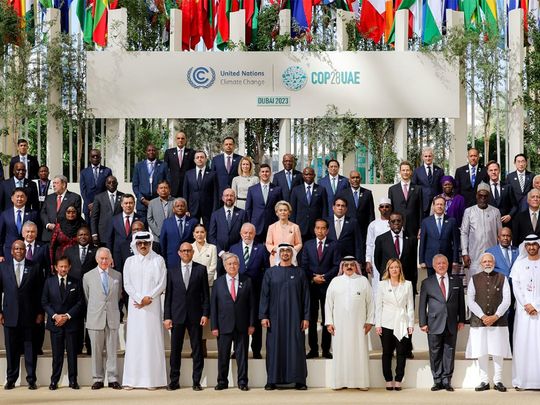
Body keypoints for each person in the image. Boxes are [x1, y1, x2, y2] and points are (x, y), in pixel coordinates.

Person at [260, 243, 310, 390]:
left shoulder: (300, 273)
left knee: (296, 347)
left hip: (295, 318)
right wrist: (263, 315)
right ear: (278, 254)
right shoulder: (270, 273)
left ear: (292, 254)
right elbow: (264, 296)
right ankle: (272, 380)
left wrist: (306, 317)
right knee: (274, 347)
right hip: (275, 319)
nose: (285, 254)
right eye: (283, 251)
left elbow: (306, 297)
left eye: (288, 251)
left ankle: (299, 380)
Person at [122, 232, 167, 390]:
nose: (143, 246)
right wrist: (140, 298)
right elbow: (127, 284)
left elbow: (162, 283)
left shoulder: (158, 260)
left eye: (146, 243)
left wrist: (149, 298)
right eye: (140, 243)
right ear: (135, 244)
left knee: (151, 341)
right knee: (135, 342)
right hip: (136, 307)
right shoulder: (129, 261)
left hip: (152, 306)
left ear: (150, 243)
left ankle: (152, 380)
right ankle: (131, 380)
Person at [164, 242, 210, 391]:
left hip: (195, 316)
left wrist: (205, 313)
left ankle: (196, 381)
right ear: (179, 253)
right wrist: (167, 316)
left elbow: (205, 295)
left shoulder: (201, 270)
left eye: (189, 251)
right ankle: (174, 381)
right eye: (183, 251)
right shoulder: (172, 271)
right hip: (177, 316)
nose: (186, 253)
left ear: (192, 252)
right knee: (175, 350)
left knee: (197, 349)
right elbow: (168, 296)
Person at [0, 240, 44, 390]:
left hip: (29, 315)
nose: (19, 251)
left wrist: (40, 312)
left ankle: (31, 379)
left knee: (30, 348)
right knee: (11, 349)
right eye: (16, 249)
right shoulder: (3, 268)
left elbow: (40, 292)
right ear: (11, 251)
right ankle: (11, 379)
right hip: (9, 315)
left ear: (26, 251)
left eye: (21, 248)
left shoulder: (35, 267)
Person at [325, 256, 373, 390]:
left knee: (359, 353)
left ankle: (361, 383)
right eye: (346, 265)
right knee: (340, 352)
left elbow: (371, 303)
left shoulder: (363, 281)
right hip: (339, 326)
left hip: (359, 325)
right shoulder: (335, 281)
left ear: (356, 266)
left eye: (352, 264)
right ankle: (339, 383)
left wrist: (370, 321)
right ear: (342, 267)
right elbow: (328, 304)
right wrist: (329, 322)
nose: (349, 267)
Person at [465, 252, 511, 392]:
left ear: (494, 263)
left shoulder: (503, 278)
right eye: (484, 261)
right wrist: (483, 316)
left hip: (498, 322)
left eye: (489, 261)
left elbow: (507, 300)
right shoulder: (474, 279)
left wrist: (495, 316)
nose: (487, 263)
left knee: (498, 351)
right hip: (479, 322)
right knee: (481, 350)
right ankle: (484, 380)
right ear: (481, 264)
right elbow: (470, 300)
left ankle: (498, 380)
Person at [419, 254, 465, 392]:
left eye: (444, 263)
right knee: (435, 352)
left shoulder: (456, 281)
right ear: (433, 266)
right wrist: (422, 322)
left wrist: (461, 319)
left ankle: (447, 380)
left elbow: (461, 303)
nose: (441, 265)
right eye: (438, 263)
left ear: (448, 264)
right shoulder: (427, 282)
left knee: (449, 352)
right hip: (433, 323)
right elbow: (422, 305)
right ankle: (437, 380)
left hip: (451, 323)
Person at [211, 253, 256, 391]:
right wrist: (214, 326)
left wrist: (251, 324)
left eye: (235, 264)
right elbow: (214, 306)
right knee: (223, 355)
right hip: (224, 326)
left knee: (242, 356)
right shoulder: (218, 283)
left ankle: (242, 382)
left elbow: (252, 305)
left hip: (242, 325)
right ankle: (222, 381)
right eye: (229, 264)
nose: (232, 266)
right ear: (224, 266)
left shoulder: (247, 281)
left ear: (239, 265)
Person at [41, 256, 85, 390]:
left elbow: (80, 302)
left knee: (72, 354)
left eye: (65, 266)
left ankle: (73, 381)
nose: (63, 269)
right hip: (56, 325)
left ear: (69, 267)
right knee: (57, 355)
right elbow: (44, 302)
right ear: (55, 267)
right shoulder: (49, 282)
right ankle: (54, 380)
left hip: (71, 324)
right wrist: (55, 316)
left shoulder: (76, 282)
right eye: (61, 266)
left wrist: (67, 316)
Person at [82, 247, 123, 390]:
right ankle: (97, 378)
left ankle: (112, 378)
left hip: (112, 316)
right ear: (97, 259)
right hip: (95, 318)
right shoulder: (88, 276)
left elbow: (117, 297)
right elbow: (87, 297)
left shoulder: (117, 275)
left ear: (111, 259)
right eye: (102, 258)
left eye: (107, 258)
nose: (104, 261)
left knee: (112, 350)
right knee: (96, 350)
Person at [229, 222, 269, 358]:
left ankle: (256, 350)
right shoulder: (233, 248)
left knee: (256, 320)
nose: (248, 235)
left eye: (250, 232)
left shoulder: (261, 248)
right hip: (238, 290)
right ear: (241, 234)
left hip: (256, 290)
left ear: (255, 234)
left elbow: (266, 269)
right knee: (238, 319)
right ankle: (238, 349)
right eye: (245, 232)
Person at [302, 219, 339, 359]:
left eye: (323, 228)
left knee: (327, 318)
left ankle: (325, 349)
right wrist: (313, 277)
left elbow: (336, 265)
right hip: (311, 286)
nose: (320, 231)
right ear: (314, 229)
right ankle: (312, 348)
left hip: (327, 286)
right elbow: (304, 265)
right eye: (318, 228)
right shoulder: (308, 245)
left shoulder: (333, 245)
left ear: (327, 230)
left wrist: (324, 277)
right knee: (311, 319)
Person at [375, 259, 414, 391]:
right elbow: (378, 306)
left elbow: (410, 307)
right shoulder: (381, 285)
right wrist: (378, 324)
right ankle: (388, 379)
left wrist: (410, 324)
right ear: (388, 269)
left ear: (400, 269)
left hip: (402, 322)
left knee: (401, 352)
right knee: (386, 352)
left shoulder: (407, 284)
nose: (394, 269)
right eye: (392, 267)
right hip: (386, 322)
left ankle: (398, 379)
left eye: (397, 267)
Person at [510, 234, 540, 390]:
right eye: (529, 245)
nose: (532, 247)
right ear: (525, 247)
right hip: (524, 312)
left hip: (539, 312)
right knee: (523, 344)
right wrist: (527, 304)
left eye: (534, 244)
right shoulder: (519, 265)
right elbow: (517, 287)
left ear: (538, 246)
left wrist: (537, 306)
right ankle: (522, 380)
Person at [486, 227, 519, 346]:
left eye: (508, 236)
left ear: (511, 237)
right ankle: (498, 346)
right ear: (498, 237)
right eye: (503, 236)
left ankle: (511, 346)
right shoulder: (490, 252)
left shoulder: (518, 251)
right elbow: (487, 271)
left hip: (516, 291)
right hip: (498, 291)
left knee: (513, 317)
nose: (506, 238)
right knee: (500, 317)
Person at [461, 182, 501, 279]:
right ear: (476, 196)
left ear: (489, 197)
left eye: (485, 196)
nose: (483, 198)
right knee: (474, 283)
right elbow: (464, 232)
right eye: (480, 195)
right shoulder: (469, 211)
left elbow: (500, 233)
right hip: (474, 255)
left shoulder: (495, 211)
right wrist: (465, 253)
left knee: (490, 283)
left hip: (491, 254)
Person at [192, 223, 218, 355]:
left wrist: (202, 283)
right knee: (194, 316)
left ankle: (204, 346)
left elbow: (212, 268)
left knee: (206, 316)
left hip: (208, 286)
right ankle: (195, 346)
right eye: (197, 232)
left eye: (202, 232)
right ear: (193, 234)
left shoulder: (212, 248)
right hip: (193, 289)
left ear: (206, 233)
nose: (199, 234)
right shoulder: (189, 248)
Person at [336, 170, 375, 256]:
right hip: (348, 228)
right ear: (349, 180)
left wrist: (371, 228)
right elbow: (340, 211)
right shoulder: (343, 193)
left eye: (357, 177)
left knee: (362, 251)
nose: (355, 179)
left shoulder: (367, 193)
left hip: (363, 229)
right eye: (353, 178)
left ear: (360, 179)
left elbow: (371, 213)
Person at [419, 196, 460, 277]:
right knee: (432, 284)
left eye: (441, 204)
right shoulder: (426, 222)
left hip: (446, 259)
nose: (439, 206)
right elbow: (422, 242)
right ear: (433, 206)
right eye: (437, 204)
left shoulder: (452, 221)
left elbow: (456, 242)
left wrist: (455, 260)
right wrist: (421, 260)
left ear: (445, 206)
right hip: (430, 259)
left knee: (446, 284)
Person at [208, 188, 247, 270]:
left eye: (231, 196)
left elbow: (245, 235)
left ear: (235, 198)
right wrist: (221, 253)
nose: (229, 198)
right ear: (222, 198)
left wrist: (235, 250)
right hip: (220, 256)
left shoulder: (242, 213)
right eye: (226, 195)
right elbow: (211, 236)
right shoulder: (215, 215)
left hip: (237, 255)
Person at [245, 163, 282, 243]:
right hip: (256, 225)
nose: (265, 173)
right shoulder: (252, 189)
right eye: (263, 172)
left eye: (267, 171)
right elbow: (248, 209)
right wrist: (250, 224)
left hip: (272, 225)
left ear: (270, 173)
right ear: (259, 174)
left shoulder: (277, 189)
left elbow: (280, 208)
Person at [290, 166, 328, 242]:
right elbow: (293, 210)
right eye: (306, 174)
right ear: (303, 176)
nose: (308, 176)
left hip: (316, 228)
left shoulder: (321, 189)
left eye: (310, 174)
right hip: (300, 226)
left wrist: (323, 225)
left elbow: (324, 209)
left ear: (314, 175)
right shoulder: (296, 190)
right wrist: (292, 226)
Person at [40, 175, 82, 242]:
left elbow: (76, 217)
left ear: (64, 184)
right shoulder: (49, 198)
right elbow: (43, 213)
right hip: (49, 235)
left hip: (66, 235)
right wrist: (48, 224)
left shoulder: (74, 197)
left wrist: (59, 228)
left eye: (56, 183)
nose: (53, 185)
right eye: (53, 183)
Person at [0, 188, 39, 261]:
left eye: (22, 196)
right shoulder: (5, 214)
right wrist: (0, 254)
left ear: (26, 198)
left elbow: (37, 234)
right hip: (9, 251)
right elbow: (1, 235)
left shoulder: (33, 214)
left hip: (27, 251)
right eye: (17, 196)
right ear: (12, 198)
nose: (19, 199)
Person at [183, 150, 219, 225]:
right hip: (192, 208)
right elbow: (186, 193)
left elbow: (216, 193)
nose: (200, 159)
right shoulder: (188, 174)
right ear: (194, 160)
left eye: (202, 157)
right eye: (197, 157)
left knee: (209, 230)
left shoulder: (213, 174)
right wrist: (185, 209)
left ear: (206, 159)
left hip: (208, 208)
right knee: (192, 230)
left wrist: (215, 210)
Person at [160, 197, 198, 268]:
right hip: (172, 259)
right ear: (173, 209)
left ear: (186, 208)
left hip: (189, 257)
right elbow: (163, 241)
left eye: (182, 206)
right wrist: (164, 257)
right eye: (177, 206)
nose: (180, 208)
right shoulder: (167, 222)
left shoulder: (193, 221)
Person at [388, 161, 423, 238]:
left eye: (407, 170)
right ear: (400, 172)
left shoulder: (418, 189)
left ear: (411, 172)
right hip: (397, 226)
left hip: (413, 227)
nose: (405, 172)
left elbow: (420, 209)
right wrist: (391, 225)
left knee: (413, 249)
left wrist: (420, 227)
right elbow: (391, 209)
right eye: (403, 170)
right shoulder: (392, 189)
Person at [132, 144, 168, 218]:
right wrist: (142, 199)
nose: (151, 152)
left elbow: (167, 183)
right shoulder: (139, 166)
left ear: (156, 152)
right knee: (142, 226)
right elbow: (135, 185)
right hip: (142, 204)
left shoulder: (163, 165)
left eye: (153, 150)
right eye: (149, 150)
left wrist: (162, 198)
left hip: (159, 202)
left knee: (158, 227)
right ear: (146, 152)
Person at [365, 197, 392, 293]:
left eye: (387, 206)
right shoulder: (373, 225)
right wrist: (368, 261)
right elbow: (369, 244)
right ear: (379, 208)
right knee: (376, 287)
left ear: (390, 208)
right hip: (376, 259)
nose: (384, 208)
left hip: (391, 260)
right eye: (382, 206)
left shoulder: (395, 223)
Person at [110, 194, 144, 272]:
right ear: (122, 204)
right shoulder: (114, 219)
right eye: (126, 203)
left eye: (131, 203)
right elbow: (110, 239)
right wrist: (110, 255)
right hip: (117, 255)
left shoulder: (141, 219)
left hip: (135, 254)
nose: (128, 205)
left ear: (134, 204)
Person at [90, 175, 125, 248]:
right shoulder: (98, 197)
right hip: (103, 234)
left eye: (113, 182)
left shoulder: (123, 196)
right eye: (109, 182)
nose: (111, 184)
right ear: (106, 184)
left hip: (119, 233)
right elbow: (94, 217)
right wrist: (94, 234)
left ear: (117, 183)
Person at [79, 149, 112, 224]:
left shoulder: (107, 171)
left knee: (102, 230)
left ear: (100, 158)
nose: (95, 158)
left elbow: (109, 189)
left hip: (102, 206)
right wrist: (89, 204)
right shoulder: (84, 172)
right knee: (89, 231)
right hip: (88, 207)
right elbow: (83, 190)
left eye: (97, 156)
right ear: (90, 158)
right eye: (93, 156)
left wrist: (97, 203)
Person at [265, 201, 302, 265]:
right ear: (277, 213)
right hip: (275, 258)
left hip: (290, 258)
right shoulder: (271, 227)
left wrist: (291, 250)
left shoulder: (295, 227)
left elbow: (299, 244)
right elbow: (268, 244)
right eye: (280, 210)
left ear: (289, 212)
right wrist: (276, 249)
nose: (283, 212)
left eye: (285, 210)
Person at [412, 147, 445, 218]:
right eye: (426, 156)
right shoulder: (417, 171)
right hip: (422, 203)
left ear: (433, 157)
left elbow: (442, 188)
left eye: (430, 156)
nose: (428, 158)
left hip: (436, 203)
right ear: (422, 157)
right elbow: (414, 188)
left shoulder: (439, 171)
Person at [326, 197, 362, 261]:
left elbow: (358, 243)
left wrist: (359, 260)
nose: (340, 208)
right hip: (329, 259)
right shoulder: (326, 221)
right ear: (333, 208)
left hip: (347, 259)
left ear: (346, 209)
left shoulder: (353, 222)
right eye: (338, 205)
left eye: (343, 206)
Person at [163, 131, 196, 198]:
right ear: (175, 140)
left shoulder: (192, 153)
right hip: (172, 188)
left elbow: (194, 170)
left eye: (182, 138)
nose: (180, 140)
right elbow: (165, 170)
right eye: (178, 138)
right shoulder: (169, 152)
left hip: (187, 186)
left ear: (186, 140)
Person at [146, 180, 175, 246]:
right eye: (161, 188)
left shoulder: (175, 201)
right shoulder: (152, 203)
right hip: (157, 238)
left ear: (169, 190)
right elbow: (150, 219)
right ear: (157, 191)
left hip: (172, 236)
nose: (163, 190)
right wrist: (159, 233)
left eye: (165, 188)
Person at [486, 161, 515, 225]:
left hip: (505, 225)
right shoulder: (484, 188)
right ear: (488, 172)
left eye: (495, 170)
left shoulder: (508, 187)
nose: (493, 172)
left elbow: (515, 206)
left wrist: (509, 215)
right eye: (491, 170)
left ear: (499, 171)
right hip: (489, 224)